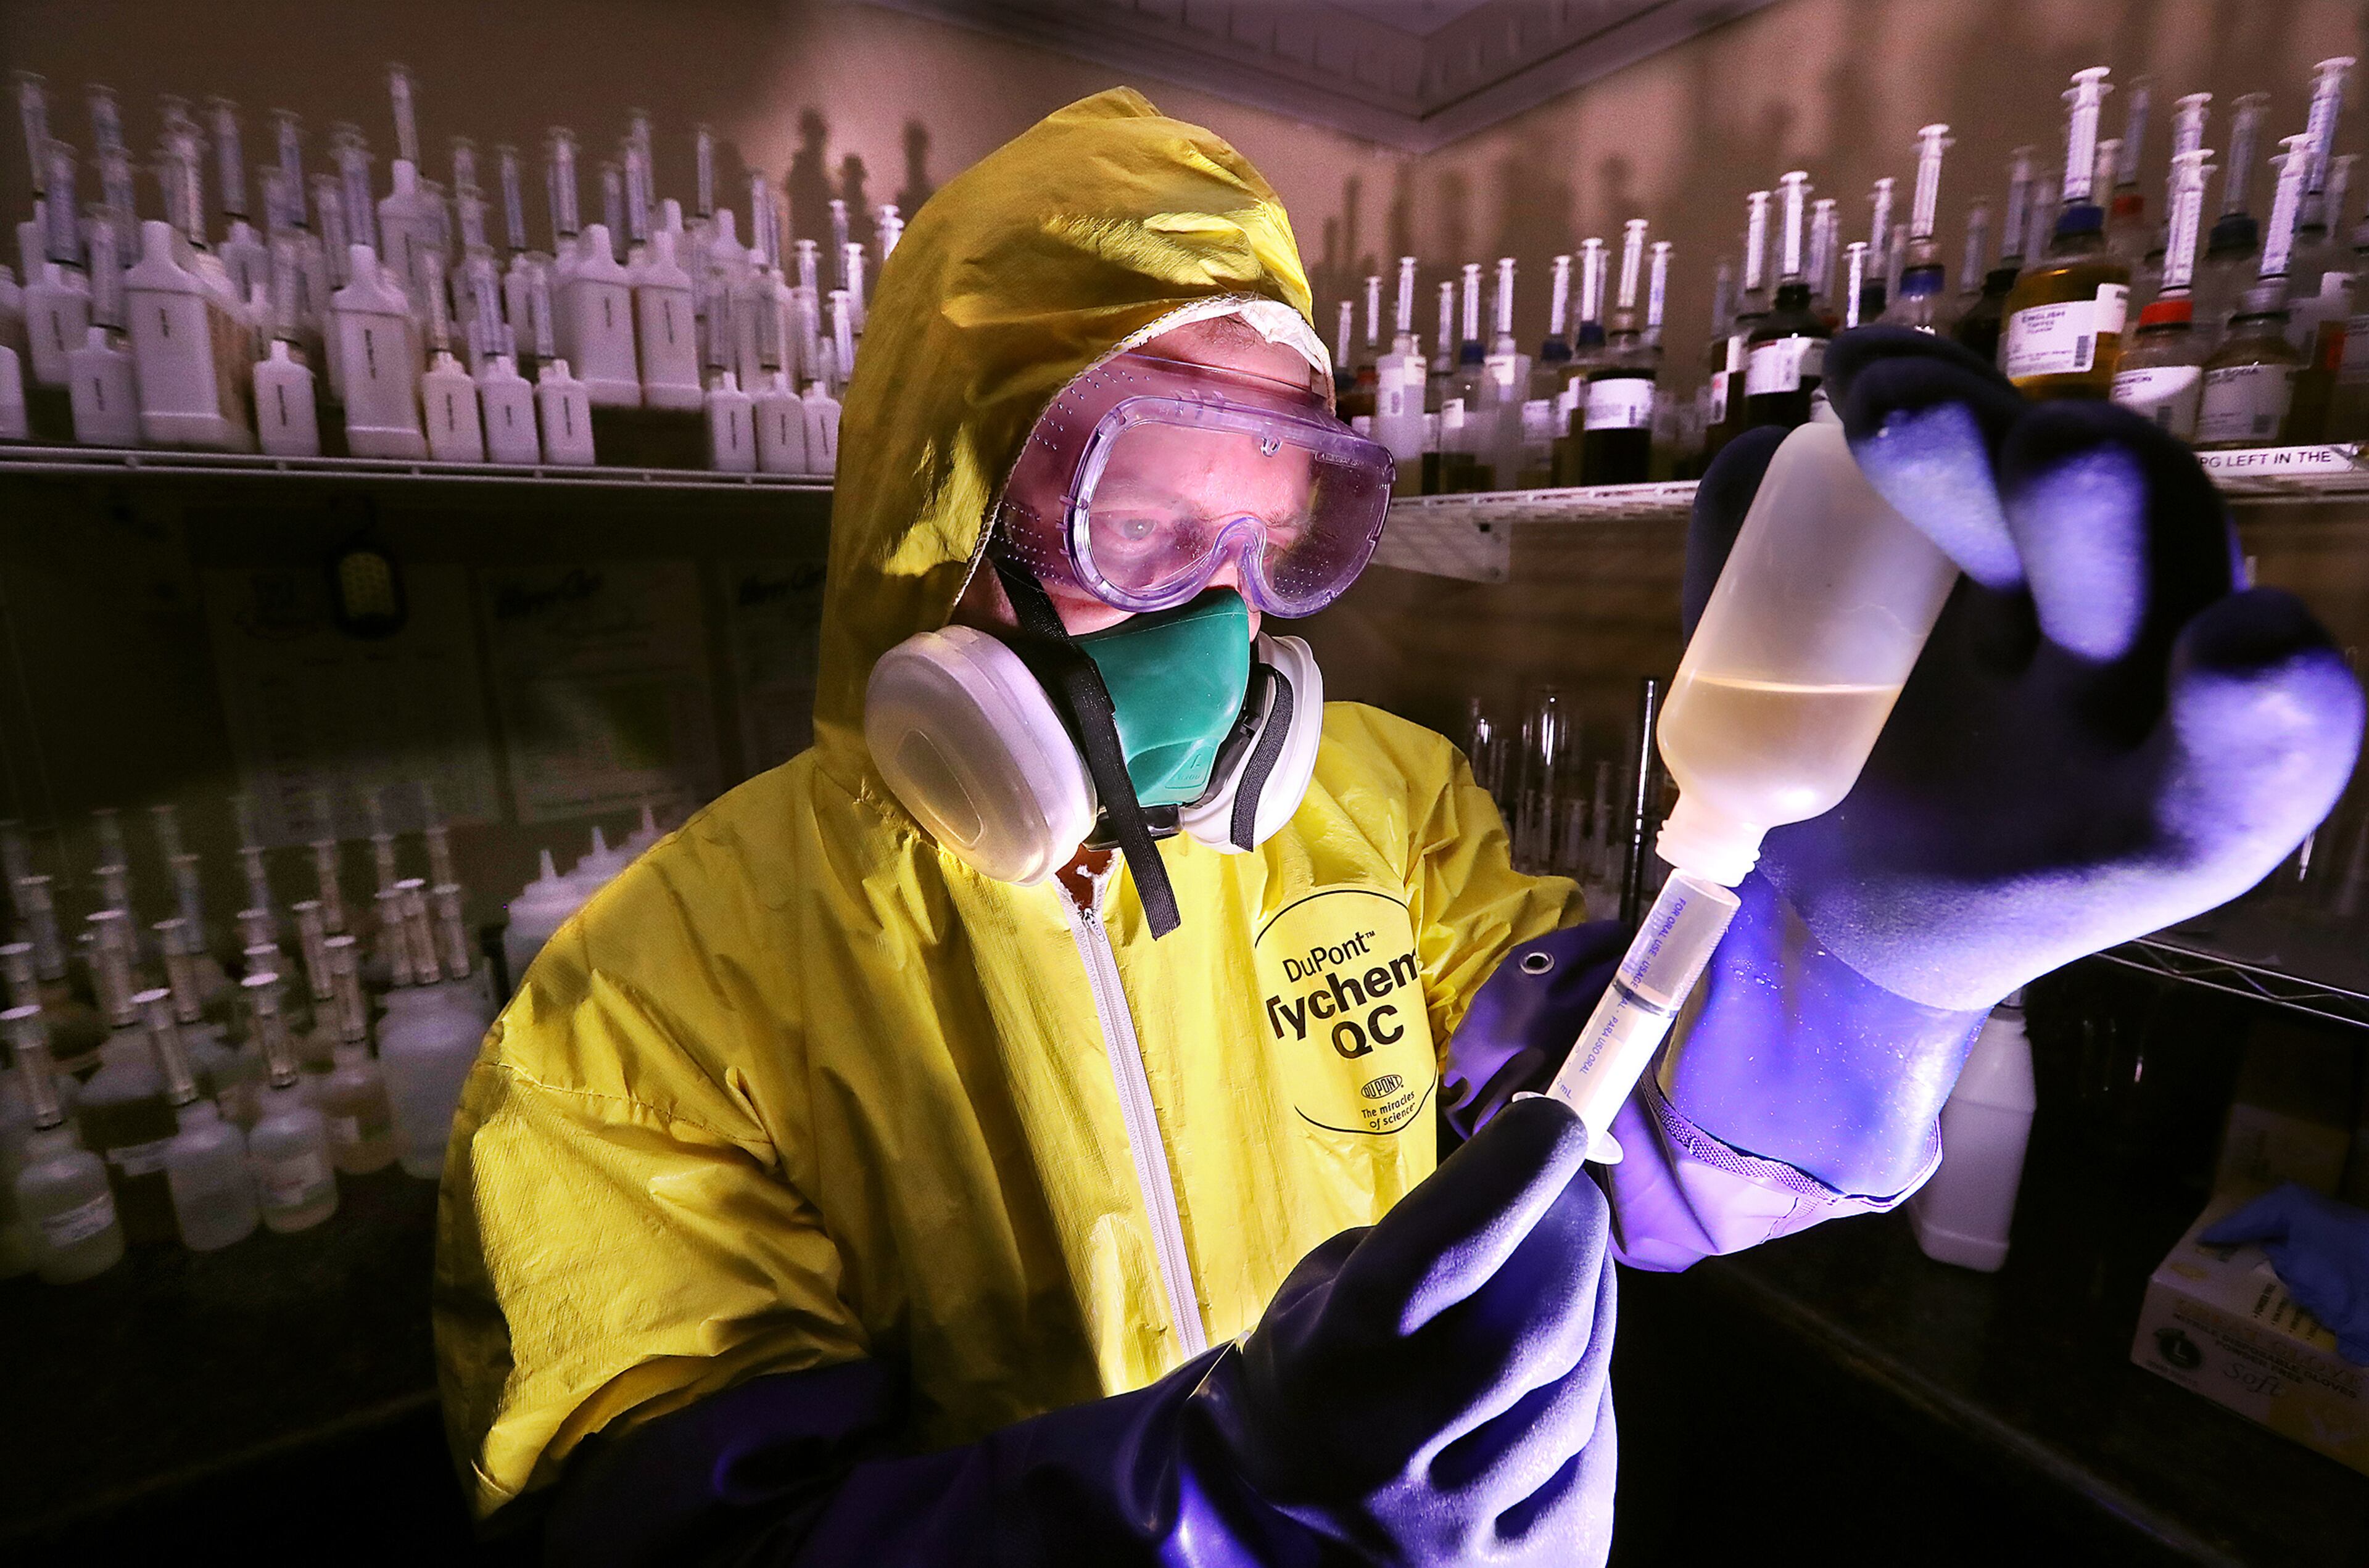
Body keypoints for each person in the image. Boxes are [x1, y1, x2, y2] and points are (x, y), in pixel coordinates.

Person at [435, 91, 2364, 1565]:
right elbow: (677, 1539)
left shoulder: (1381, 804)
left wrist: (1853, 968)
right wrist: (1205, 1513)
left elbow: (1609, 1151)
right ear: (944, 525)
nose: (1228, 619)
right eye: (1140, 525)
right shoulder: (646, 1003)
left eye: (1271, 532)